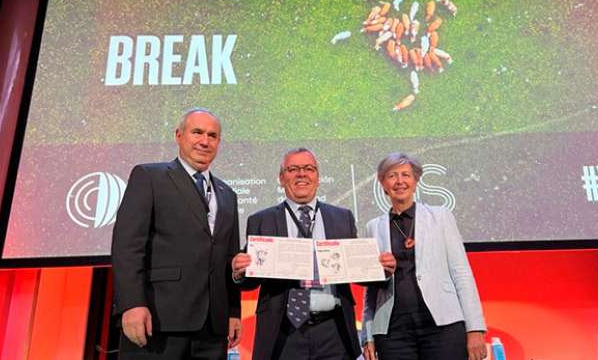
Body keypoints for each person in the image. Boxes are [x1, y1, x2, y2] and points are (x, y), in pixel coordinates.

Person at [231, 148, 396, 360]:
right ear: (281, 178)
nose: (302, 174)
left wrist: (381, 270)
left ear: (317, 177)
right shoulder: (261, 220)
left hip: (333, 331)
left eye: (309, 169)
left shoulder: (341, 218)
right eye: (293, 169)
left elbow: (356, 271)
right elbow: (250, 280)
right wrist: (239, 272)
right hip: (283, 332)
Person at [111, 108, 241, 359]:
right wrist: (131, 304)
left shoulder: (228, 194)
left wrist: (233, 311)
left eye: (212, 136)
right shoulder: (149, 176)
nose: (205, 141)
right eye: (197, 132)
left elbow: (228, 258)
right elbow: (127, 246)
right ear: (179, 135)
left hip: (212, 328)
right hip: (159, 319)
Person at [361, 152, 487, 360]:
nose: (400, 181)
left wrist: (475, 329)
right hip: (393, 332)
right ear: (382, 183)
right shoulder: (373, 227)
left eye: (406, 175)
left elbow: (461, 273)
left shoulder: (441, 216)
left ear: (416, 180)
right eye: (392, 175)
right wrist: (368, 335)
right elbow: (371, 290)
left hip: (442, 325)